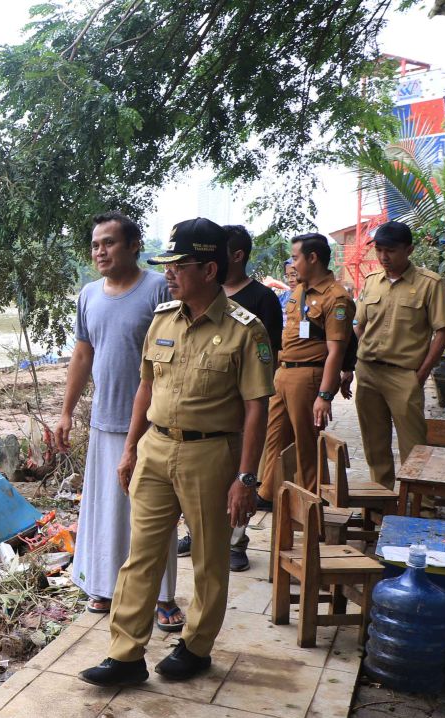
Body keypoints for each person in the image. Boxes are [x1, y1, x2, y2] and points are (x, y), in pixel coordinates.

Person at [79, 217, 273, 687]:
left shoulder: (247, 331)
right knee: (140, 553)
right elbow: (146, 387)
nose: (168, 273)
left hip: (210, 456)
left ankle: (196, 646)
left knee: (208, 559)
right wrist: (130, 450)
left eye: (178, 265)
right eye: (166, 265)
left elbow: (256, 410)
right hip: (156, 448)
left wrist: (246, 479)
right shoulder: (164, 319)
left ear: (209, 270)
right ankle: (126, 654)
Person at [55, 212, 183, 632]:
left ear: (133, 246)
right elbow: (82, 354)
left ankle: (163, 597)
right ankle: (105, 587)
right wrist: (66, 412)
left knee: (154, 513)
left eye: (109, 243)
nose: (100, 251)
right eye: (95, 245)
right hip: (104, 422)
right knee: (107, 510)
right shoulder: (89, 294)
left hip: (153, 425)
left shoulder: (158, 289)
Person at [176, 224, 282, 571]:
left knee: (239, 478)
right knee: (202, 494)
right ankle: (197, 533)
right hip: (200, 410)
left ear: (232, 257)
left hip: (235, 410)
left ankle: (236, 540)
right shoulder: (194, 298)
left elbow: (269, 355)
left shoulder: (260, 300)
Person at [349, 221, 445, 489]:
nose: (384, 257)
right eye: (380, 250)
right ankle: (380, 501)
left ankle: (422, 505)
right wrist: (367, 351)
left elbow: (443, 332)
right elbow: (358, 323)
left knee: (415, 446)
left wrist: (420, 375)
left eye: (391, 251)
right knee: (375, 444)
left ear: (409, 249)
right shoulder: (372, 282)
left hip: (405, 375)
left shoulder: (429, 283)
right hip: (369, 373)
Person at [254, 233, 353, 511]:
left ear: (313, 258)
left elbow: (336, 351)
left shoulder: (337, 298)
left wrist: (325, 394)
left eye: (296, 258)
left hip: (308, 377)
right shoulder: (299, 290)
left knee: (305, 445)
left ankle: (310, 506)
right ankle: (268, 494)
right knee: (274, 438)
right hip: (283, 372)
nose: (293, 264)